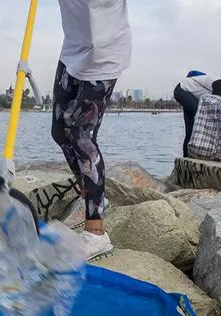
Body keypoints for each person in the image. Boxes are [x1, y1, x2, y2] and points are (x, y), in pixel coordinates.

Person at [52, 0, 131, 260]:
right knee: (60, 131)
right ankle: (95, 198)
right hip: (73, 49)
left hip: (104, 53)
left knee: (81, 135)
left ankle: (97, 234)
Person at [173, 71, 221, 157]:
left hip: (188, 94)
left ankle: (186, 155)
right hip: (183, 90)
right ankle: (192, 153)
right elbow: (214, 107)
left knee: (190, 129)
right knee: (199, 117)